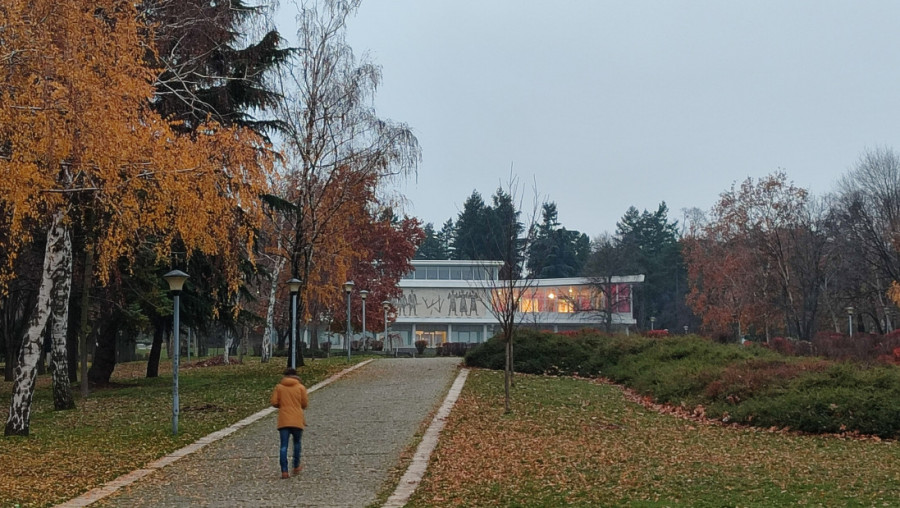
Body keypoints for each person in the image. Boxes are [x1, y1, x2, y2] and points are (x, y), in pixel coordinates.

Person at [270, 367, 309, 479]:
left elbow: (274, 402)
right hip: (297, 419)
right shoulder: (300, 387)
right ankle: (296, 466)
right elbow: (304, 404)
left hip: (284, 419)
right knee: (297, 443)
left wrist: (282, 405)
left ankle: (284, 471)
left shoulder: (279, 387)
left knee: (283, 446)